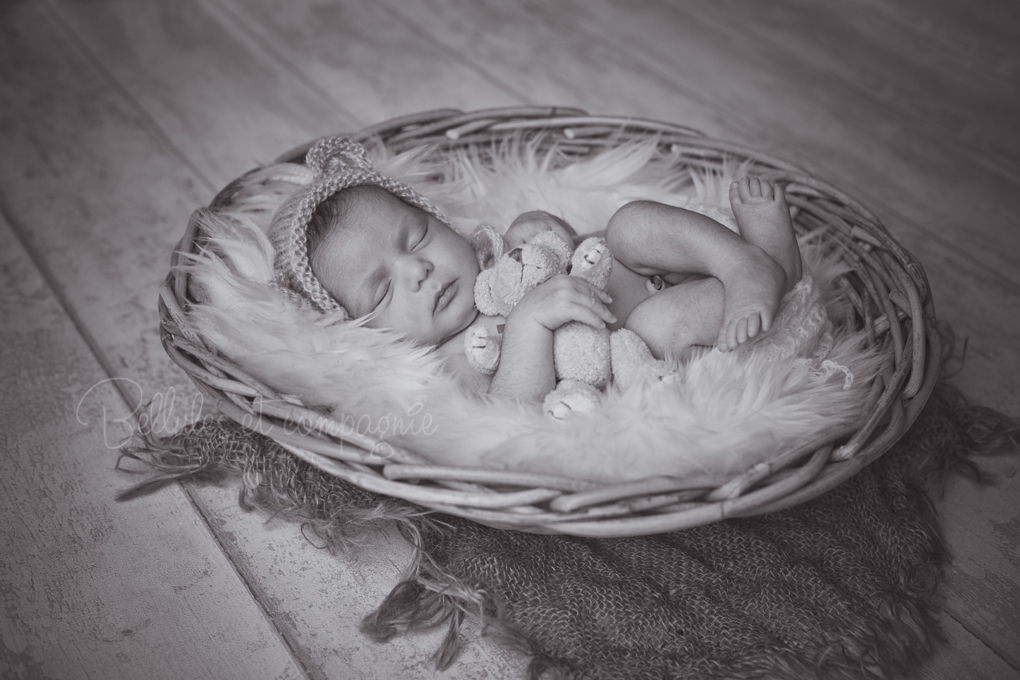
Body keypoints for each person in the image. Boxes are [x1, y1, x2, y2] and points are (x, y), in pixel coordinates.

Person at [269, 138, 802, 403]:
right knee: (658, 326)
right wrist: (528, 323)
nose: (417, 270)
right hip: (657, 328)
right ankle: (775, 265)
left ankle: (741, 262)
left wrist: (542, 227)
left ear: (442, 221)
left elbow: (569, 246)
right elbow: (510, 415)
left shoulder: (487, 252)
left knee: (627, 223)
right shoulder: (447, 360)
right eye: (383, 289)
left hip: (653, 259)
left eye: (418, 237)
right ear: (361, 328)